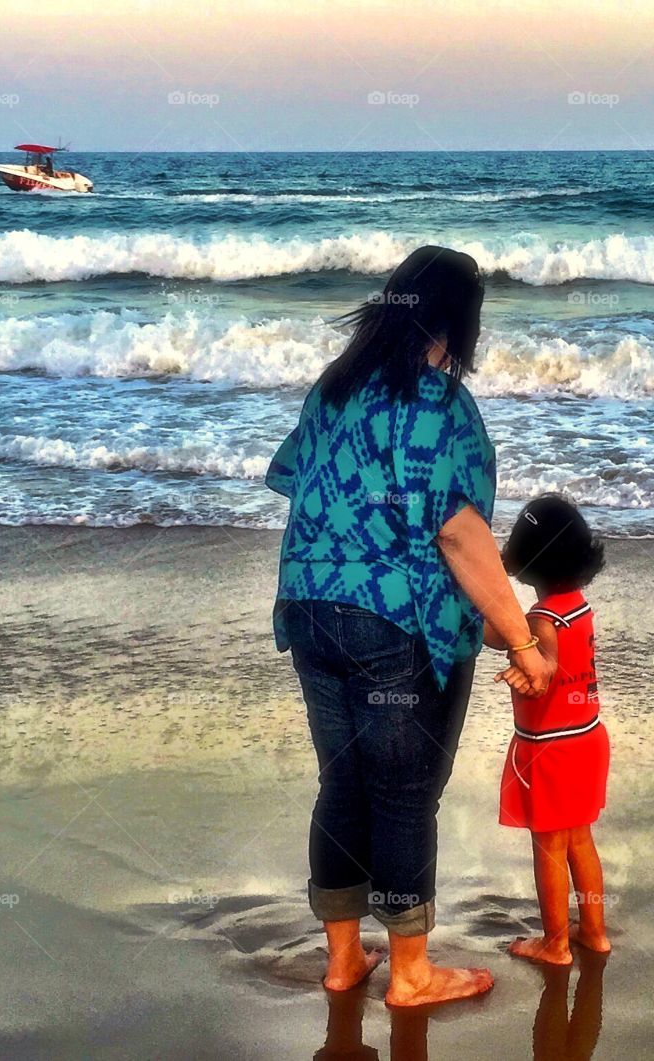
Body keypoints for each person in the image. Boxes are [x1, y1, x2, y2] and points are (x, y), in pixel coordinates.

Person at [266, 246, 554, 1007]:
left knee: (344, 782)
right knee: (402, 794)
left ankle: (342, 960)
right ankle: (413, 975)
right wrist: (522, 639)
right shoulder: (439, 405)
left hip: (308, 606)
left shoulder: (333, 390)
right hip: (390, 623)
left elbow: (298, 479)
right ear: (460, 321)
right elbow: (458, 533)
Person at [490, 495, 611, 964]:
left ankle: (555, 943)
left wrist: (527, 671)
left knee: (548, 847)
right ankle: (593, 931)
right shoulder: (578, 606)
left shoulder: (542, 619)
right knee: (580, 840)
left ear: (526, 556)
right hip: (588, 739)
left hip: (551, 750)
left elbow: (540, 664)